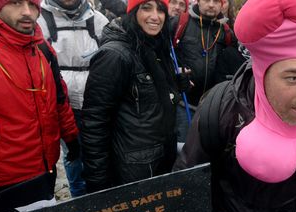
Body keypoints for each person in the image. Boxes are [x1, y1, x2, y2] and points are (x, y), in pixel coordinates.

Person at [174, 0, 296, 212]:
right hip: (232, 208)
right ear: (262, 73)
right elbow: (192, 172)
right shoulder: (222, 106)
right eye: (293, 78)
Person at [81, 0, 188, 192]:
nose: (155, 16)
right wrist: (98, 183)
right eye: (146, 8)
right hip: (133, 171)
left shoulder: (154, 45)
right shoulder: (115, 55)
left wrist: (174, 84)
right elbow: (94, 122)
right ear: (133, 12)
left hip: (160, 160)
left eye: (161, 10)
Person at [0, 0, 79, 212]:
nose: (26, 12)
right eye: (15, 3)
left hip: (43, 169)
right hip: (1, 178)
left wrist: (71, 137)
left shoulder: (42, 49)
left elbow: (59, 99)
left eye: (32, 4)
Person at [37, 0, 108, 197]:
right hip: (62, 101)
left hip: (96, 99)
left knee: (98, 150)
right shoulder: (40, 19)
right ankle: (78, 197)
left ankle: (100, 194)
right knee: (73, 154)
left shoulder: (97, 19)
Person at [170, 0, 237, 142]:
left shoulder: (226, 31)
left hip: (211, 107)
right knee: (183, 151)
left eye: (216, 1)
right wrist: (174, 71)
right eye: (207, 0)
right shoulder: (179, 23)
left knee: (205, 152)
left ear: (222, 4)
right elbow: (161, 54)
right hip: (183, 104)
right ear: (198, 2)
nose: (211, 5)